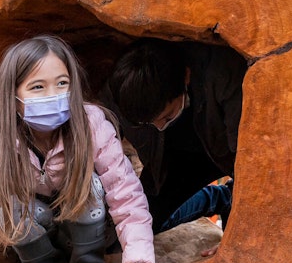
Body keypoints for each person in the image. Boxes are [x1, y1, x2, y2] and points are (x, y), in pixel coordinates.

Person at [0, 35, 157, 263]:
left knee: (91, 184)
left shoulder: (91, 122)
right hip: (41, 235)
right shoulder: (1, 140)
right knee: (4, 203)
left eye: (62, 83)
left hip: (89, 227)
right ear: (15, 98)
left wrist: (138, 259)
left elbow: (124, 192)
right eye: (37, 87)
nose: (53, 95)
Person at [99, 38, 246, 239]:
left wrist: (240, 229)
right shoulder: (120, 91)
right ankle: (217, 198)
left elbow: (252, 162)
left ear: (186, 76)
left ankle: (232, 195)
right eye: (149, 125)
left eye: (167, 117)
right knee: (131, 230)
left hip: (227, 152)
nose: (159, 127)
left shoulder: (222, 74)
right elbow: (97, 146)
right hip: (172, 159)